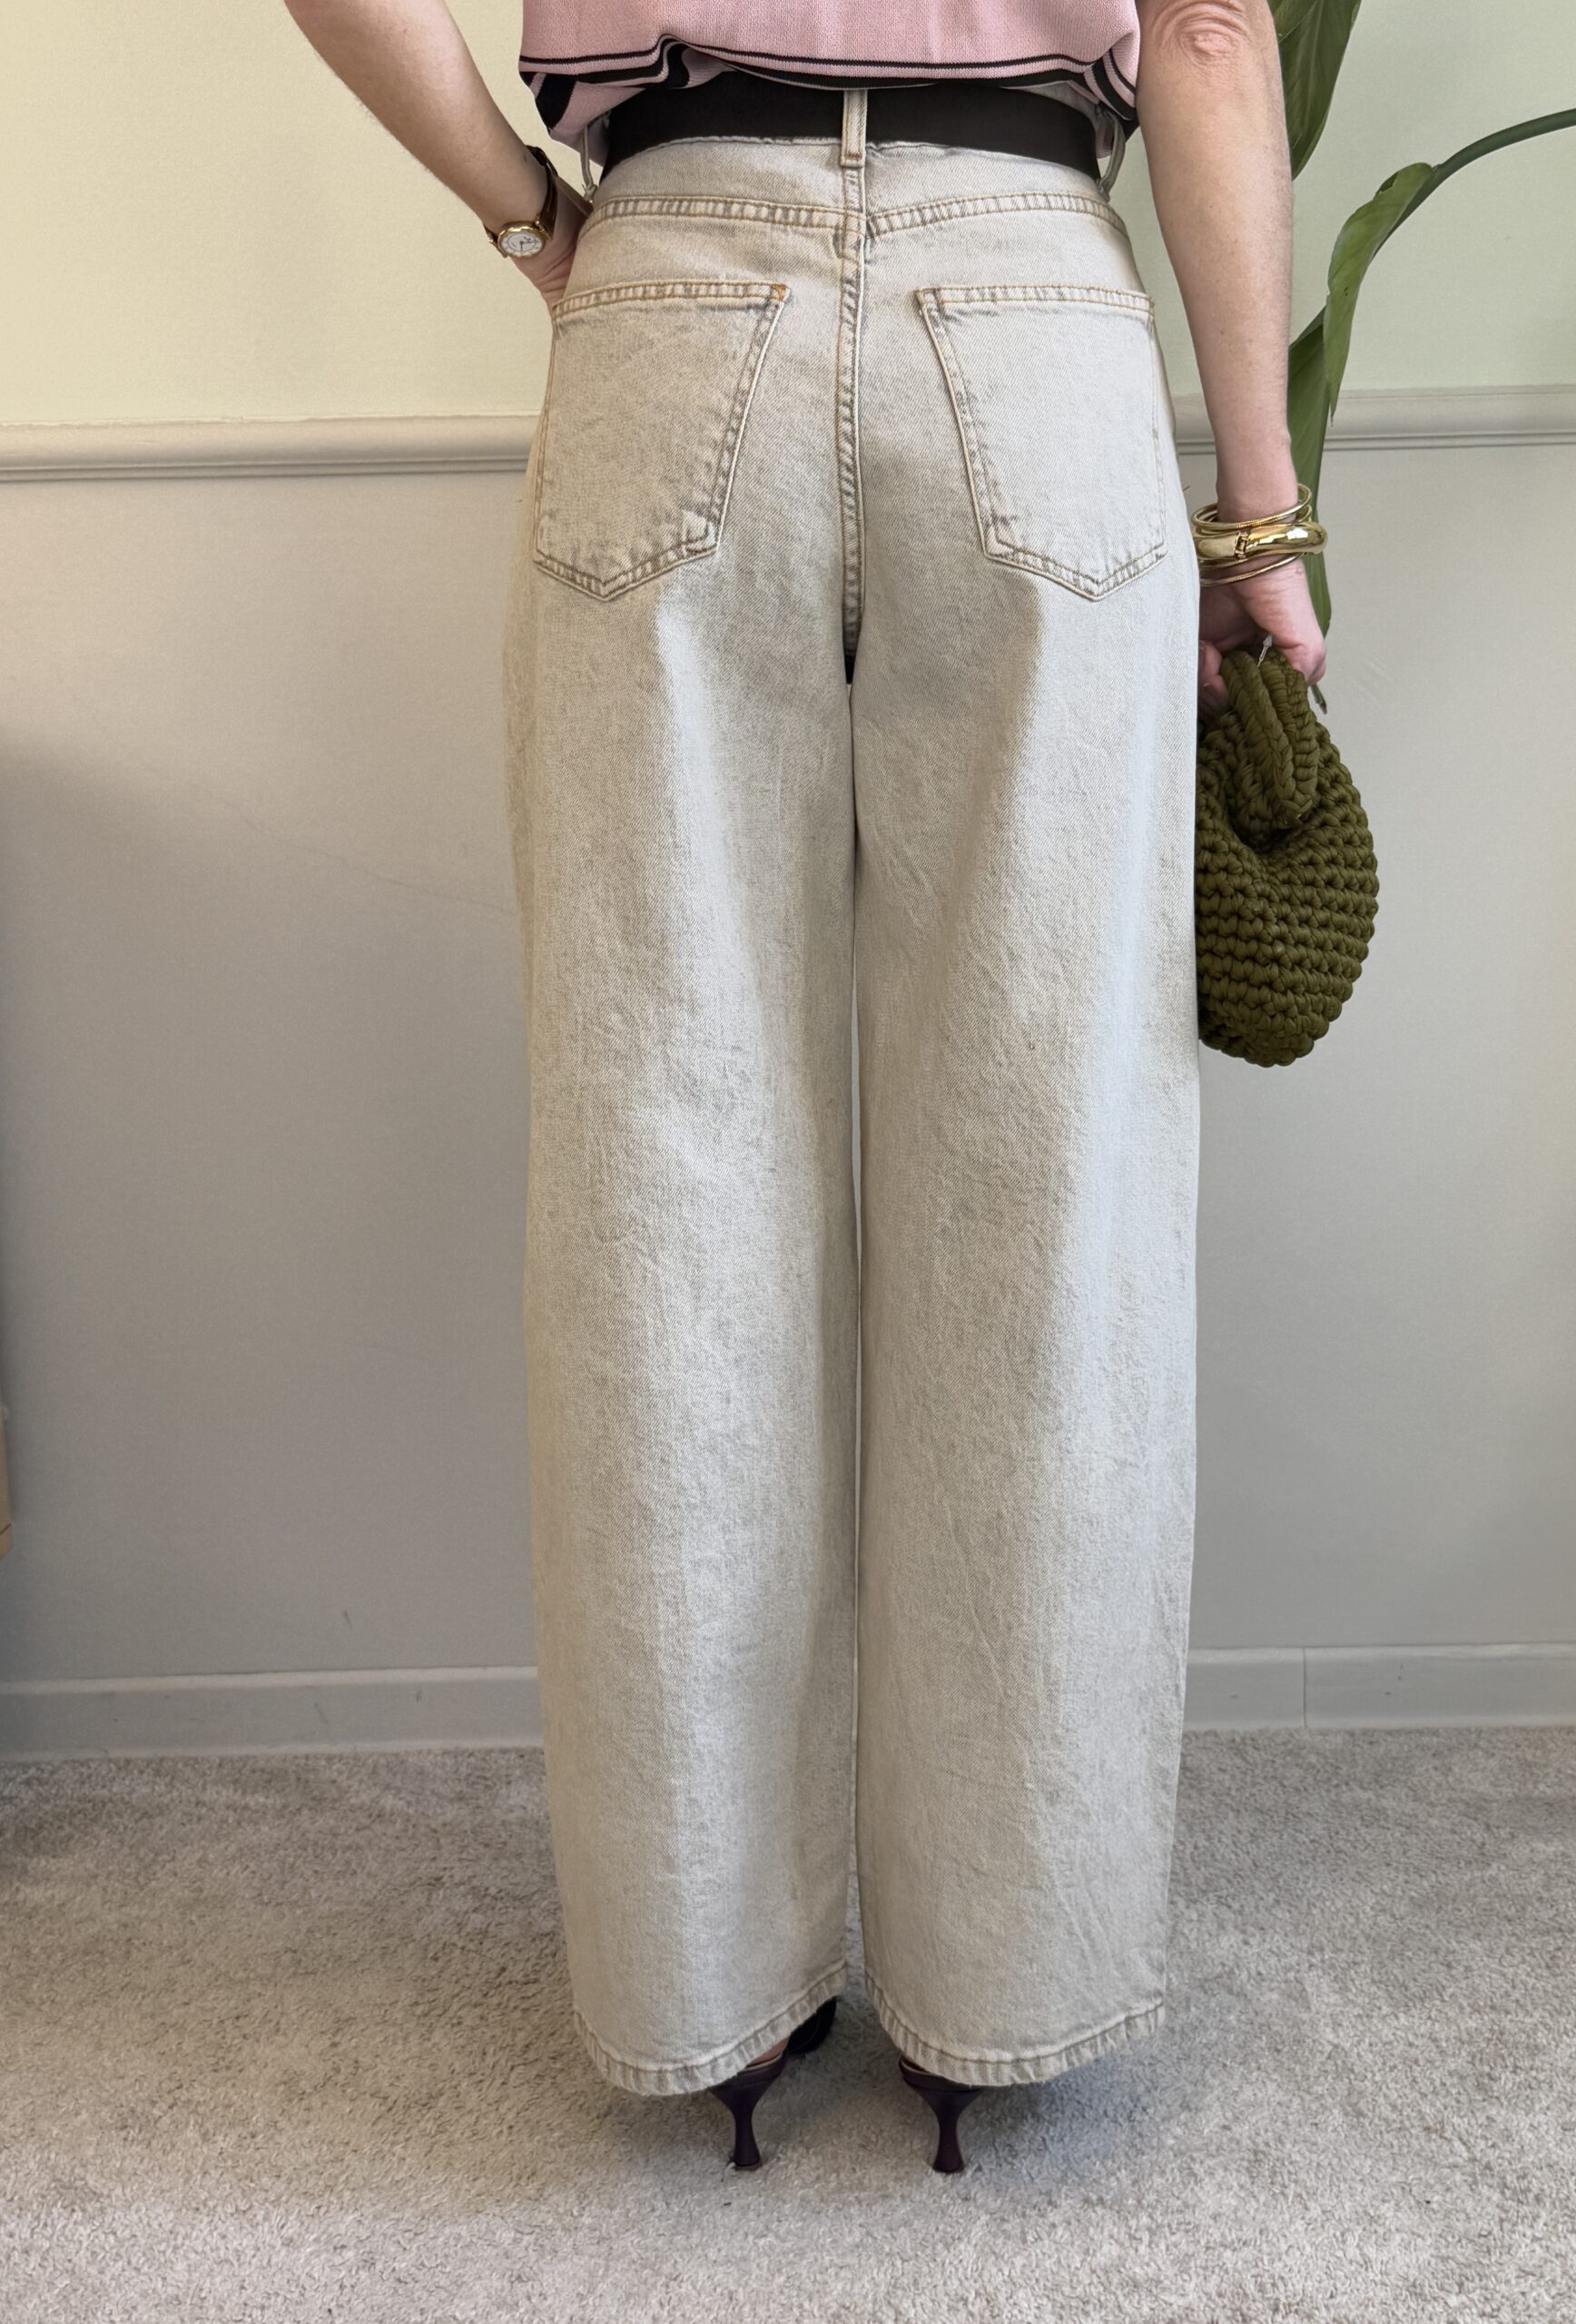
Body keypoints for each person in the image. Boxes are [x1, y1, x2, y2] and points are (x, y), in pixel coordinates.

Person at [281, 0, 1327, 2174]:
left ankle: (709, 1988)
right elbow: (1218, 32)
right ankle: (1007, 1987)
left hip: (672, 297)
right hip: (1030, 312)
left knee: (660, 1164)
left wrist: (528, 219)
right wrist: (1261, 519)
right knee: (1048, 1185)